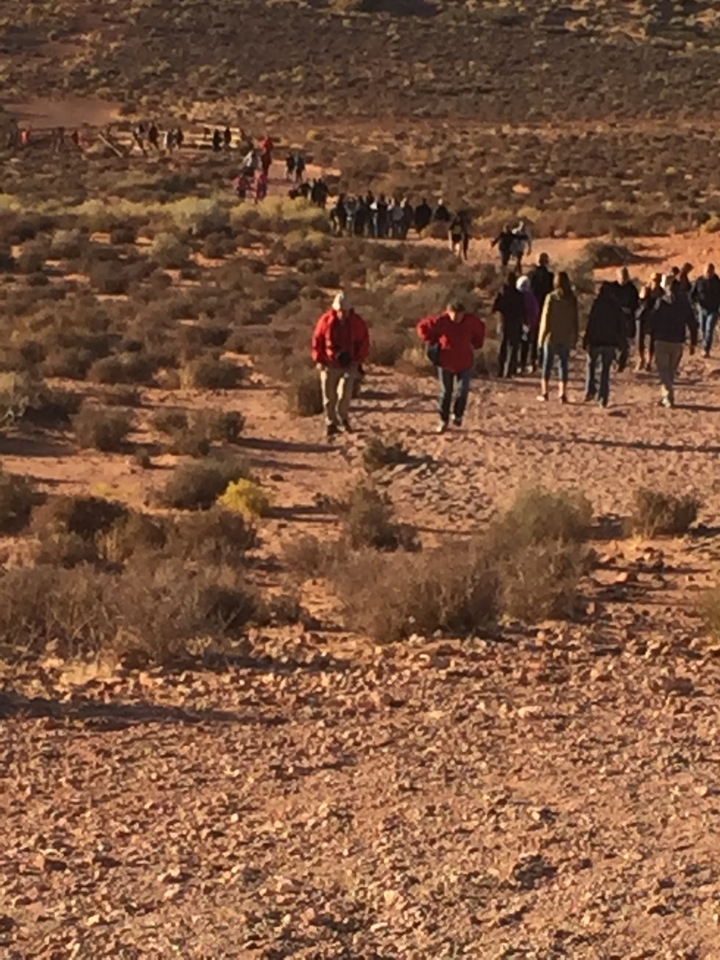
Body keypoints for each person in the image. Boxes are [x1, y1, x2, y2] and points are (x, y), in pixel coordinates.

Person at [417, 299, 486, 433]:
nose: (456, 318)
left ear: (463, 314)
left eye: (459, 315)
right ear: (448, 312)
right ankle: (443, 420)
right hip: (446, 362)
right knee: (446, 392)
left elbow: (480, 330)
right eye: (453, 315)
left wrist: (477, 343)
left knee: (463, 390)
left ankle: (458, 415)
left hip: (465, 362)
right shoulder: (441, 321)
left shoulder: (471, 322)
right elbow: (422, 327)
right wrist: (431, 340)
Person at [311, 293, 370, 439]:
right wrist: (319, 359)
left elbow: (364, 342)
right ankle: (330, 423)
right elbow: (317, 340)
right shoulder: (325, 321)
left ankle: (343, 418)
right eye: (340, 310)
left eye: (345, 310)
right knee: (329, 396)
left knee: (345, 393)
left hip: (350, 364)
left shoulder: (357, 323)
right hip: (329, 363)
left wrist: (358, 361)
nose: (342, 313)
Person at [650, 276, 698, 408]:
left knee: (664, 372)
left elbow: (652, 319)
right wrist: (693, 342)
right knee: (670, 371)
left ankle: (668, 396)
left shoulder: (661, 302)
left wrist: (649, 335)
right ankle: (665, 396)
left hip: (662, 341)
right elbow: (693, 323)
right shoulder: (684, 304)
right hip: (677, 342)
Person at [537, 271, 579, 403]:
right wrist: (575, 336)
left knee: (547, 365)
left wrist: (540, 339)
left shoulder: (551, 297)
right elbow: (575, 319)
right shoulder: (572, 299)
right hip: (565, 335)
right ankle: (562, 393)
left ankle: (545, 393)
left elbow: (545, 319)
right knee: (563, 365)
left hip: (551, 336)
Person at [583, 283, 626, 407]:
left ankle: (590, 390)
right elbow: (621, 326)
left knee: (591, 365)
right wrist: (622, 343)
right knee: (605, 371)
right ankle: (603, 398)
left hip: (596, 341)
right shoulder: (616, 305)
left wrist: (586, 339)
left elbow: (591, 322)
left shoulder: (597, 304)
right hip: (610, 342)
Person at [493, 272, 526, 378]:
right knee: (513, 347)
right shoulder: (518, 295)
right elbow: (522, 310)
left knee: (502, 347)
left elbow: (494, 307)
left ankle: (500, 371)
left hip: (503, 322)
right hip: (515, 323)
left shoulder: (501, 293)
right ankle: (508, 372)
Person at [611, 267, 639, 370]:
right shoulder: (612, 288)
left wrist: (629, 310)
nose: (623, 280)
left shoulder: (631, 289)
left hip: (626, 320)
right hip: (613, 319)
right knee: (612, 342)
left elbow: (636, 304)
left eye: (625, 277)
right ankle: (614, 360)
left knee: (624, 344)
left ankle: (621, 364)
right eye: (621, 278)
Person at [691, 263, 720, 358]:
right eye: (707, 271)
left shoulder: (717, 282)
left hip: (713, 310)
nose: (709, 273)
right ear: (704, 271)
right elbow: (692, 294)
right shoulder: (699, 281)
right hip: (702, 309)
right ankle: (704, 345)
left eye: (711, 271)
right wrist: (695, 304)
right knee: (703, 329)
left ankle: (706, 349)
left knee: (709, 329)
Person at [636, 272, 663, 371]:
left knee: (651, 341)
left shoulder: (661, 292)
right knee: (639, 339)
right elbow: (640, 301)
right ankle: (641, 358)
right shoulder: (646, 289)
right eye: (654, 280)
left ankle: (648, 361)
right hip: (642, 316)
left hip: (654, 318)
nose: (656, 282)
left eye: (658, 281)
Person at [517, 275, 540, 373]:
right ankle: (532, 363)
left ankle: (520, 365)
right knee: (529, 345)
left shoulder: (518, 296)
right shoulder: (531, 296)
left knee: (520, 345)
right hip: (531, 323)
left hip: (520, 323)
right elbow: (535, 310)